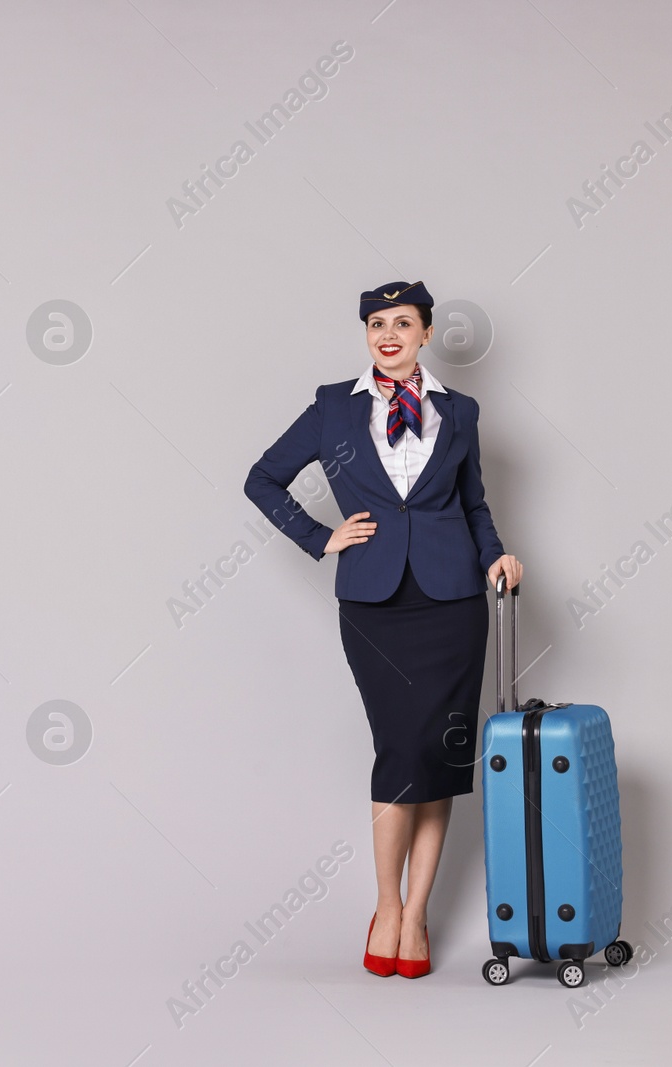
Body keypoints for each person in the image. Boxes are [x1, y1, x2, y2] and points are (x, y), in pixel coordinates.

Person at [243, 280, 522, 978]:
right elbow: (263, 478)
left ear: (426, 332)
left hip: (453, 599)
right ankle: (385, 904)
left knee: (440, 756)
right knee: (400, 750)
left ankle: (417, 912)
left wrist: (496, 554)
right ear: (366, 334)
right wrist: (319, 536)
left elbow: (474, 503)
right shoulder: (334, 406)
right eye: (376, 323)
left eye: (402, 322)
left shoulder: (461, 411)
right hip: (374, 603)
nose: (388, 334)